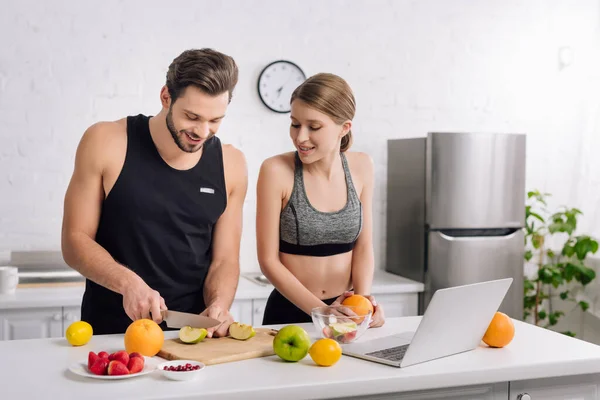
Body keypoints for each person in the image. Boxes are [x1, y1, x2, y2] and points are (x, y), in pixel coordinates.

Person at [61, 48, 248, 337]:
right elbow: (75, 240)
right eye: (192, 116)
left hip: (191, 333)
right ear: (165, 97)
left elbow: (225, 260)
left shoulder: (231, 164)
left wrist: (219, 304)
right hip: (111, 333)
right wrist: (128, 284)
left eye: (215, 120)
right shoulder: (106, 141)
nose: (203, 131)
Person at [256, 73, 385, 327]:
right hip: (290, 313)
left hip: (344, 311)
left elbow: (363, 247)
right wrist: (321, 311)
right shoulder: (275, 171)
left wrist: (363, 303)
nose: (300, 137)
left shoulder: (361, 166)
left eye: (313, 127)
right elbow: (268, 261)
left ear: (344, 128)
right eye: (295, 124)